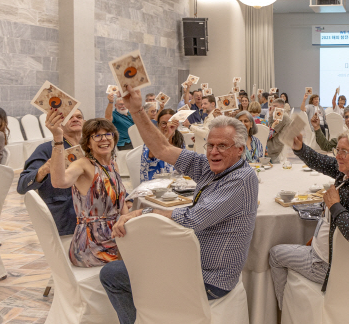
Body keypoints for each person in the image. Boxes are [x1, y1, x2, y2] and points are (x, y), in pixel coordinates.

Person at [100, 86, 258, 324]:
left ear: (240, 149)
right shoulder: (210, 165)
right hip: (190, 262)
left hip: (210, 279)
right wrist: (136, 109)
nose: (214, 152)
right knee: (132, 261)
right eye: (210, 145)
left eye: (222, 146)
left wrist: (143, 213)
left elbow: (194, 219)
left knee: (112, 274)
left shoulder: (242, 178)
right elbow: (161, 148)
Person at [269, 128, 349, 307]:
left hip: (328, 265)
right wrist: (301, 148)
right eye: (337, 150)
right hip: (331, 253)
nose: (338, 156)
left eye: (344, 152)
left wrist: (334, 206)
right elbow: (323, 162)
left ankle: (284, 310)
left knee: (275, 254)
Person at [47, 111, 127, 267]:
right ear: (88, 144)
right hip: (92, 244)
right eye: (97, 136)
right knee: (139, 259)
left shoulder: (113, 165)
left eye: (108, 134)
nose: (104, 139)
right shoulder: (82, 164)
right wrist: (58, 139)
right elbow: (58, 181)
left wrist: (129, 224)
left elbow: (121, 202)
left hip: (115, 235)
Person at [17, 109, 83, 236]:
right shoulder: (46, 149)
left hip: (95, 216)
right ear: (59, 123)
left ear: (84, 122)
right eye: (70, 117)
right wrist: (44, 169)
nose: (75, 119)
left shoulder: (91, 147)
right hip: (65, 218)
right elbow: (22, 186)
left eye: (79, 117)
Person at [139, 109, 186, 182]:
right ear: (158, 124)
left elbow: (184, 165)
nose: (167, 126)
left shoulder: (179, 141)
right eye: (164, 123)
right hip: (154, 185)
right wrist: (166, 136)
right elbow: (151, 156)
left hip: (175, 183)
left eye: (171, 123)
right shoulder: (151, 140)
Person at [266, 99, 289, 163]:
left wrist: (270, 116)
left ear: (281, 106)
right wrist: (271, 116)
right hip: (278, 142)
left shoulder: (282, 116)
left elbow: (271, 133)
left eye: (275, 106)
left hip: (276, 146)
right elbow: (271, 128)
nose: (273, 108)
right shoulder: (282, 114)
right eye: (272, 106)